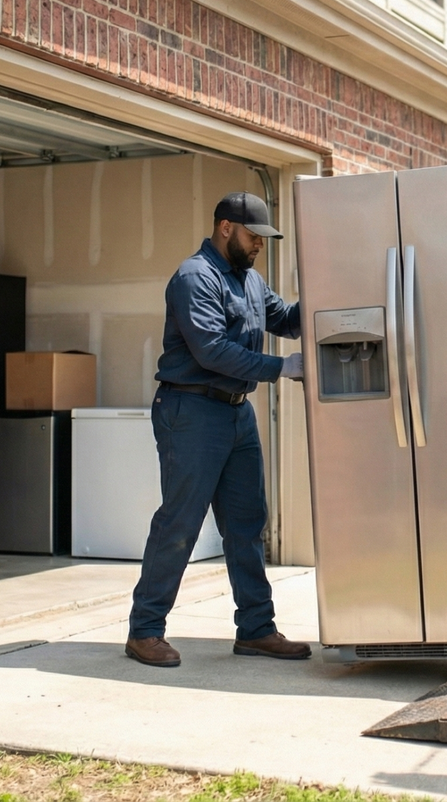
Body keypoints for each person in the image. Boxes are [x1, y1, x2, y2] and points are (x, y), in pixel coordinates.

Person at [125, 192, 309, 667]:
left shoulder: (249, 280)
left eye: (264, 241)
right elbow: (212, 351)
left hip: (235, 413)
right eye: (254, 237)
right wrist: (283, 367)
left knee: (247, 523)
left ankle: (256, 629)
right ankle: (145, 630)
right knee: (181, 523)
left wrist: (325, 295)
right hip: (191, 411)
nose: (259, 247)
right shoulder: (195, 278)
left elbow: (285, 319)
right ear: (226, 227)